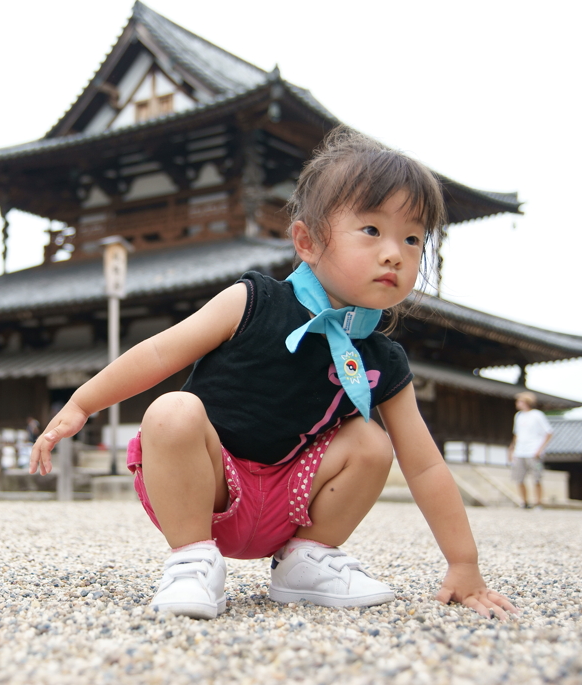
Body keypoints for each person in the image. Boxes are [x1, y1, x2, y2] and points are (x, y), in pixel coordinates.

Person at [31, 127, 516, 621]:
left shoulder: (384, 359)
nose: (394, 252)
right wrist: (82, 403)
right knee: (172, 410)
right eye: (371, 230)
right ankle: (192, 560)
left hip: (292, 500)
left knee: (372, 441)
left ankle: (305, 560)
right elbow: (160, 354)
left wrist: (464, 562)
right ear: (306, 241)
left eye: (412, 238)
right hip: (209, 485)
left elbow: (425, 464)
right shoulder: (253, 300)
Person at [507, 391, 552, 509]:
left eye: (519, 401)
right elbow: (516, 434)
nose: (517, 403)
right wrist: (511, 449)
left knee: (536, 478)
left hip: (533, 451)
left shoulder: (537, 415)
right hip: (520, 451)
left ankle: (538, 502)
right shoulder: (518, 416)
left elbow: (549, 433)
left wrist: (540, 449)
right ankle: (524, 502)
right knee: (519, 478)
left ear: (526, 402)